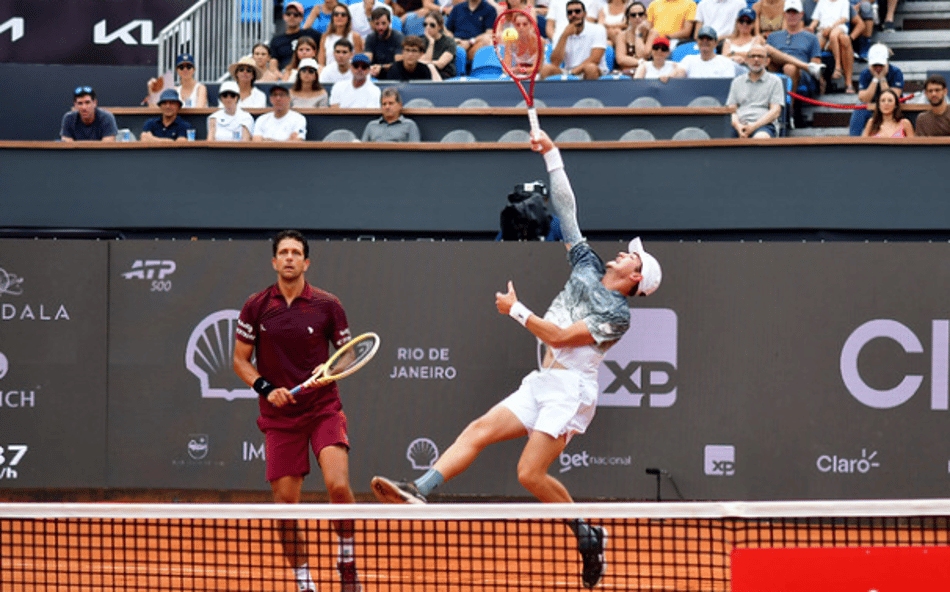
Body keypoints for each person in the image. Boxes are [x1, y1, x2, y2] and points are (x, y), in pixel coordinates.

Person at [372, 126, 662, 590]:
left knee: (529, 473)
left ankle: (586, 534)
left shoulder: (618, 313)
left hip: (572, 390)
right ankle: (420, 491)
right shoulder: (588, 265)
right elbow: (567, 211)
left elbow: (564, 337)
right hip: (543, 381)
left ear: (635, 278)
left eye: (633, 257)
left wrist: (516, 310)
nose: (626, 253)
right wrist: (553, 155)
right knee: (480, 429)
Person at [233, 229, 363, 592]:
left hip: (323, 409)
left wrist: (330, 370)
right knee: (286, 507)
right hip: (279, 419)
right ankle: (305, 582)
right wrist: (266, 388)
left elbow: (348, 353)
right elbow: (240, 361)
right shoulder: (256, 306)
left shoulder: (328, 305)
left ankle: (347, 558)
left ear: (306, 262)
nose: (289, 257)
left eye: (296, 252)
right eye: (283, 252)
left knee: (338, 487)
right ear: (274, 262)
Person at [765, 0, 824, 96]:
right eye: (789, 12)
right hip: (776, 69)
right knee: (767, 49)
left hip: (801, 74)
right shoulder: (773, 36)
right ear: (784, 14)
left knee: (790, 68)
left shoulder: (811, 38)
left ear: (801, 14)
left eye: (795, 13)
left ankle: (789, 109)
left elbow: (816, 65)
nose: (792, 16)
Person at [726, 43, 785, 137]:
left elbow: (775, 111)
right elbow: (731, 111)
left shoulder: (775, 81)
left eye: (760, 56)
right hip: (739, 125)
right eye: (752, 56)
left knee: (760, 138)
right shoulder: (736, 82)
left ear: (767, 61)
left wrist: (753, 126)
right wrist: (738, 126)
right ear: (746, 59)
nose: (756, 59)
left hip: (764, 125)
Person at [541, 0, 609, 80]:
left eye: (577, 11)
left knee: (590, 68)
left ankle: (592, 92)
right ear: (567, 16)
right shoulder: (561, 31)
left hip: (592, 70)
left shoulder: (598, 29)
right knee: (547, 69)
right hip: (569, 71)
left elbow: (595, 59)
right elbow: (555, 62)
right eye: (570, 12)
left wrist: (573, 72)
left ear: (585, 14)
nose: (573, 14)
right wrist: (564, 36)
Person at [848, 43, 903, 136]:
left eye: (881, 65)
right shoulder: (865, 73)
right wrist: (875, 79)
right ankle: (853, 139)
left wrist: (882, 79)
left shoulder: (896, 72)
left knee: (890, 103)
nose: (878, 68)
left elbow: (892, 98)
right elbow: (864, 98)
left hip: (892, 109)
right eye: (875, 65)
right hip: (873, 108)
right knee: (860, 108)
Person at [807, 0, 859, 93]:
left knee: (839, 37)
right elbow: (815, 20)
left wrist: (830, 27)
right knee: (814, 44)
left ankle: (838, 67)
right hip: (823, 31)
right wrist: (810, 28)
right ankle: (820, 81)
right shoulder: (821, 2)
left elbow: (844, 19)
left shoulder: (844, 1)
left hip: (838, 28)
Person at [270, 1, 323, 71]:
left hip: (310, 72)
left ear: (301, 18)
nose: (292, 17)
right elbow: (273, 64)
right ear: (284, 16)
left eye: (296, 15)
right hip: (285, 76)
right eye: (288, 14)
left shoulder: (312, 34)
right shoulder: (276, 40)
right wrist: (279, 76)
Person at [672, 25, 741, 77]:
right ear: (697, 42)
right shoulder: (688, 59)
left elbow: (727, 85)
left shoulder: (726, 62)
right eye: (701, 39)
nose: (705, 41)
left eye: (709, 39)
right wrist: (671, 76)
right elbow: (680, 73)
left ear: (716, 43)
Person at [613, 2, 655, 74]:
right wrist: (640, 62)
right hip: (626, 72)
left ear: (645, 16)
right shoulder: (622, 35)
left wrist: (638, 33)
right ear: (628, 18)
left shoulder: (653, 33)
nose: (637, 17)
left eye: (640, 14)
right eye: (633, 15)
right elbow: (620, 59)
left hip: (647, 73)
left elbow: (642, 55)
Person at [365, 7, 405, 77]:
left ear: (389, 22)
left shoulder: (398, 37)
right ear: (373, 24)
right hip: (374, 73)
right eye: (377, 24)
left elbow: (398, 63)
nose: (380, 27)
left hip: (394, 74)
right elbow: (367, 59)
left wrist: (381, 67)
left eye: (383, 23)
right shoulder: (370, 37)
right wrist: (371, 68)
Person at [420, 11, 458, 79]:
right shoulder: (421, 41)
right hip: (425, 73)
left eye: (432, 25)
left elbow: (440, 64)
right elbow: (424, 63)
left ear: (439, 27)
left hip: (443, 73)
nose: (428, 27)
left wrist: (425, 63)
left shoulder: (449, 42)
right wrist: (431, 43)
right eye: (425, 24)